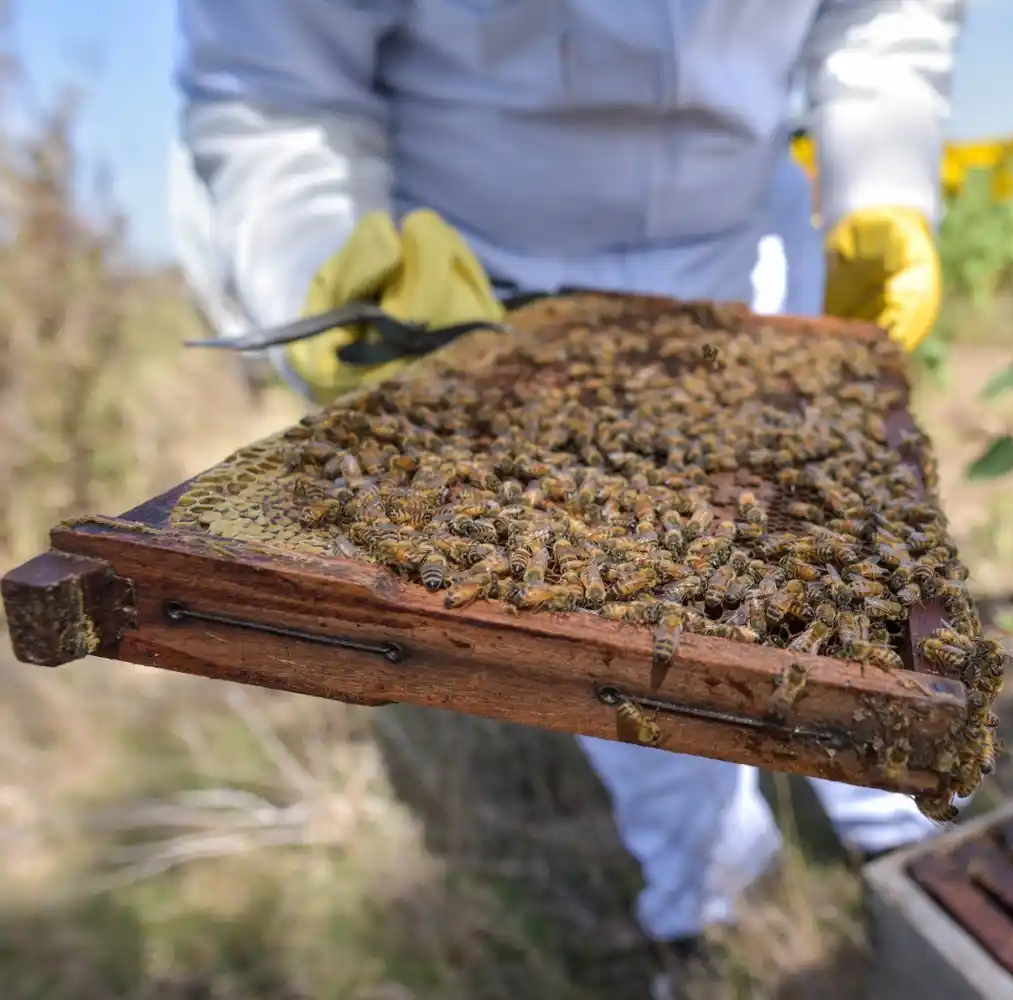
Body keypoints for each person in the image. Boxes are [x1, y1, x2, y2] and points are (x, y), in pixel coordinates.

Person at [170, 3, 965, 995]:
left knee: (842, 562)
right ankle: (709, 908)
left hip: (747, 244)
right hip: (485, 290)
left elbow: (883, 19)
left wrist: (882, 181)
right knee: (614, 632)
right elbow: (274, 80)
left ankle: (904, 839)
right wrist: (319, 258)